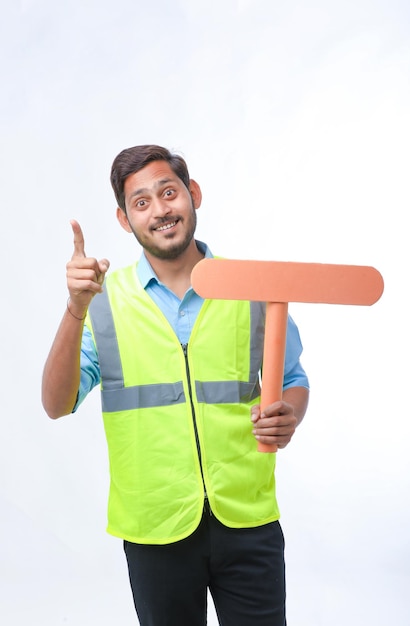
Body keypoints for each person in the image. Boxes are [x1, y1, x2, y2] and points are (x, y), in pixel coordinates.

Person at [42, 144, 309, 626]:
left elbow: (292, 379)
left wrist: (290, 413)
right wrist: (75, 307)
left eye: (169, 192)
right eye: (141, 202)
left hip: (248, 519)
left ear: (194, 195)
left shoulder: (253, 287)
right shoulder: (102, 303)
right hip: (154, 527)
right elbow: (56, 404)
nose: (161, 210)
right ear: (125, 220)